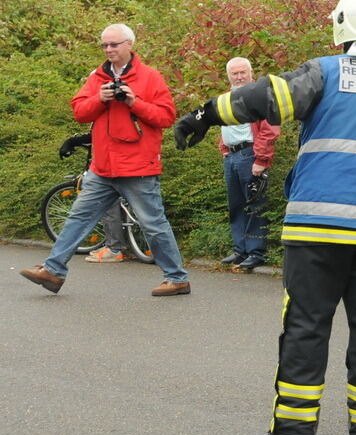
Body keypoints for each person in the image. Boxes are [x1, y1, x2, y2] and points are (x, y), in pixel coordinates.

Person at [174, 0, 356, 435]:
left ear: (345, 31)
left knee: (305, 325)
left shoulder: (327, 71)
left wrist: (204, 114)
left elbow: (265, 96)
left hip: (316, 229)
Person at [20, 24, 190, 296]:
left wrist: (134, 102)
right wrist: (100, 98)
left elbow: (166, 117)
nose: (109, 49)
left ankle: (177, 278)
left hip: (137, 167)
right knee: (78, 217)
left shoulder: (150, 77)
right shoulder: (97, 78)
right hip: (103, 167)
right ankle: (53, 271)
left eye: (114, 44)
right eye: (105, 45)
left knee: (153, 225)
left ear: (129, 45)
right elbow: (79, 111)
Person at [217, 57, 280, 271]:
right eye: (234, 73)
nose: (239, 77)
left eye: (243, 72)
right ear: (229, 76)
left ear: (251, 73)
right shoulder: (227, 98)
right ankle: (240, 250)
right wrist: (224, 150)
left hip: (250, 154)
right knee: (236, 205)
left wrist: (261, 159)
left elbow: (270, 129)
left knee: (255, 204)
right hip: (232, 157)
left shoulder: (260, 97)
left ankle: (256, 252)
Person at [58, 131, 130, 263]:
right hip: (132, 160)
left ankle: (114, 248)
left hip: (115, 162)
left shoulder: (110, 112)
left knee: (107, 203)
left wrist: (73, 141)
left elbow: (100, 134)